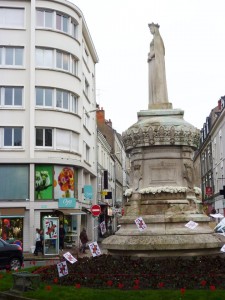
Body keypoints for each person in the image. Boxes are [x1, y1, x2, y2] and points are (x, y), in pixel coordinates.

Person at [148, 23, 169, 108]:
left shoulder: (157, 38)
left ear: (155, 29)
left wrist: (151, 55)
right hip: (153, 62)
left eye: (151, 29)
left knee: (157, 82)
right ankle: (155, 101)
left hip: (156, 64)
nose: (150, 31)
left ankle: (159, 100)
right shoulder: (155, 38)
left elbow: (159, 51)